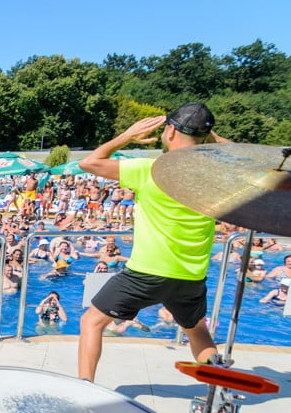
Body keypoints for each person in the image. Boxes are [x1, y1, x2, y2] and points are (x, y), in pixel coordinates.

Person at [76, 104, 231, 381]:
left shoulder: (151, 170)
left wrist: (126, 136)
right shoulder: (217, 176)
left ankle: (85, 386)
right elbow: (254, 160)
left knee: (92, 322)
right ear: (205, 137)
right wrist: (215, 141)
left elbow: (88, 163)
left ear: (170, 131)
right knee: (197, 331)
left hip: (146, 273)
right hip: (190, 275)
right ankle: (220, 387)